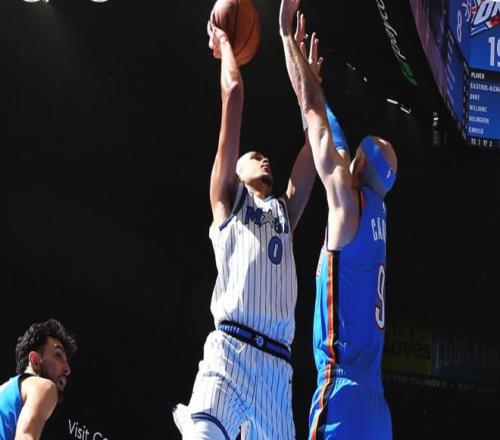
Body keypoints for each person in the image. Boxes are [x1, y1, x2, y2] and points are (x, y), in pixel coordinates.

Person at [172, 9, 319, 440]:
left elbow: (316, 141)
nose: (264, 158)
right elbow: (234, 93)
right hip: (230, 353)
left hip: (277, 370)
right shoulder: (227, 200)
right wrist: (225, 45)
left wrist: (309, 83)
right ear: (234, 171)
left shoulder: (284, 213)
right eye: (254, 156)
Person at [279, 1, 397, 438]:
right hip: (376, 407)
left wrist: (284, 35)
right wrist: (309, 83)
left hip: (343, 389)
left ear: (357, 166)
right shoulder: (375, 209)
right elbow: (324, 127)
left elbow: (317, 123)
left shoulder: (347, 206)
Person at [0, 319, 78, 440]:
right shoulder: (44, 386)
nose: (68, 369)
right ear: (35, 361)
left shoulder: (5, 391)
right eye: (58, 355)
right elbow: (25, 437)